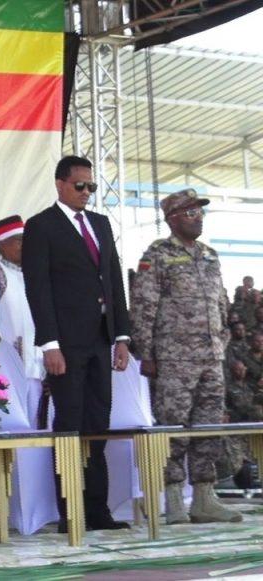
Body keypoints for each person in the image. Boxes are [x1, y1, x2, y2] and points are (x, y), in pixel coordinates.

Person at [22, 155, 132, 532]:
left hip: (101, 339)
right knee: (69, 422)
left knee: (98, 424)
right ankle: (71, 511)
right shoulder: (41, 226)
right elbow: (38, 288)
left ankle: (98, 510)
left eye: (91, 187)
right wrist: (49, 343)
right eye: (80, 185)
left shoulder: (100, 223)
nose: (86, 192)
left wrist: (121, 336)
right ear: (60, 184)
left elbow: (113, 280)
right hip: (66, 343)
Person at [130, 189, 241, 524]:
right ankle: (174, 499)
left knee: (208, 428)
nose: (198, 218)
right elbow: (144, 306)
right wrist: (146, 353)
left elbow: (220, 303)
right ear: (172, 219)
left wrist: (222, 340)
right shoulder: (158, 255)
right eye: (190, 213)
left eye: (199, 212)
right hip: (174, 359)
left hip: (211, 358)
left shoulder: (210, 255)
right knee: (173, 427)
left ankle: (204, 499)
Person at [0, 215, 44, 424]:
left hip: (37, 366)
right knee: (11, 423)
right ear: (2, 244)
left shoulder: (35, 274)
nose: (25, 246)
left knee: (35, 424)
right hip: (7, 367)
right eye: (19, 241)